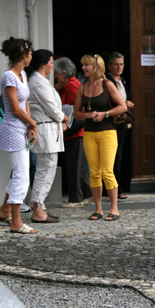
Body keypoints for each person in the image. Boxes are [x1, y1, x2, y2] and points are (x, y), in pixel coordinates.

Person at [74, 54, 127, 221]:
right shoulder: (82, 87)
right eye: (82, 65)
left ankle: (114, 208)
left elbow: (123, 107)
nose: (83, 68)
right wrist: (88, 115)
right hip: (89, 133)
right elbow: (76, 113)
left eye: (86, 65)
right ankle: (98, 209)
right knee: (94, 173)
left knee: (107, 171)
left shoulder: (107, 84)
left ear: (96, 67)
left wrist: (104, 114)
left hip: (107, 133)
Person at [0, 37, 38, 234]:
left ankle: (5, 211)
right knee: (21, 175)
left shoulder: (22, 75)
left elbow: (25, 103)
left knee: (19, 172)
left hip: (21, 128)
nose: (32, 57)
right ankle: (16, 222)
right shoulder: (9, 77)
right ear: (24, 55)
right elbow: (14, 109)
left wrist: (30, 125)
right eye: (30, 54)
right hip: (13, 129)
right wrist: (31, 122)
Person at [26, 50, 68, 223]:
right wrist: (64, 117)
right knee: (45, 170)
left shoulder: (41, 81)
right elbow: (51, 107)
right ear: (43, 64)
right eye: (51, 62)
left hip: (49, 131)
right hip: (46, 131)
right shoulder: (38, 82)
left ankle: (40, 206)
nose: (53, 65)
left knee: (47, 169)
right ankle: (37, 208)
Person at [54, 57, 92, 208]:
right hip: (74, 131)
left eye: (57, 73)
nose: (55, 75)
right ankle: (88, 193)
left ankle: (76, 198)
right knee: (77, 166)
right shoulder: (68, 85)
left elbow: (80, 106)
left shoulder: (71, 85)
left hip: (76, 131)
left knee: (74, 166)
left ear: (64, 73)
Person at [106, 52, 135, 199]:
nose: (119, 67)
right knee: (112, 155)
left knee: (120, 154)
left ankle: (117, 186)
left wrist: (127, 104)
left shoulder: (122, 80)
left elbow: (124, 99)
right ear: (109, 66)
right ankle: (113, 188)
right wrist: (125, 104)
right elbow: (110, 101)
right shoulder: (107, 82)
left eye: (121, 64)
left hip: (122, 122)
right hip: (111, 122)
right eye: (116, 64)